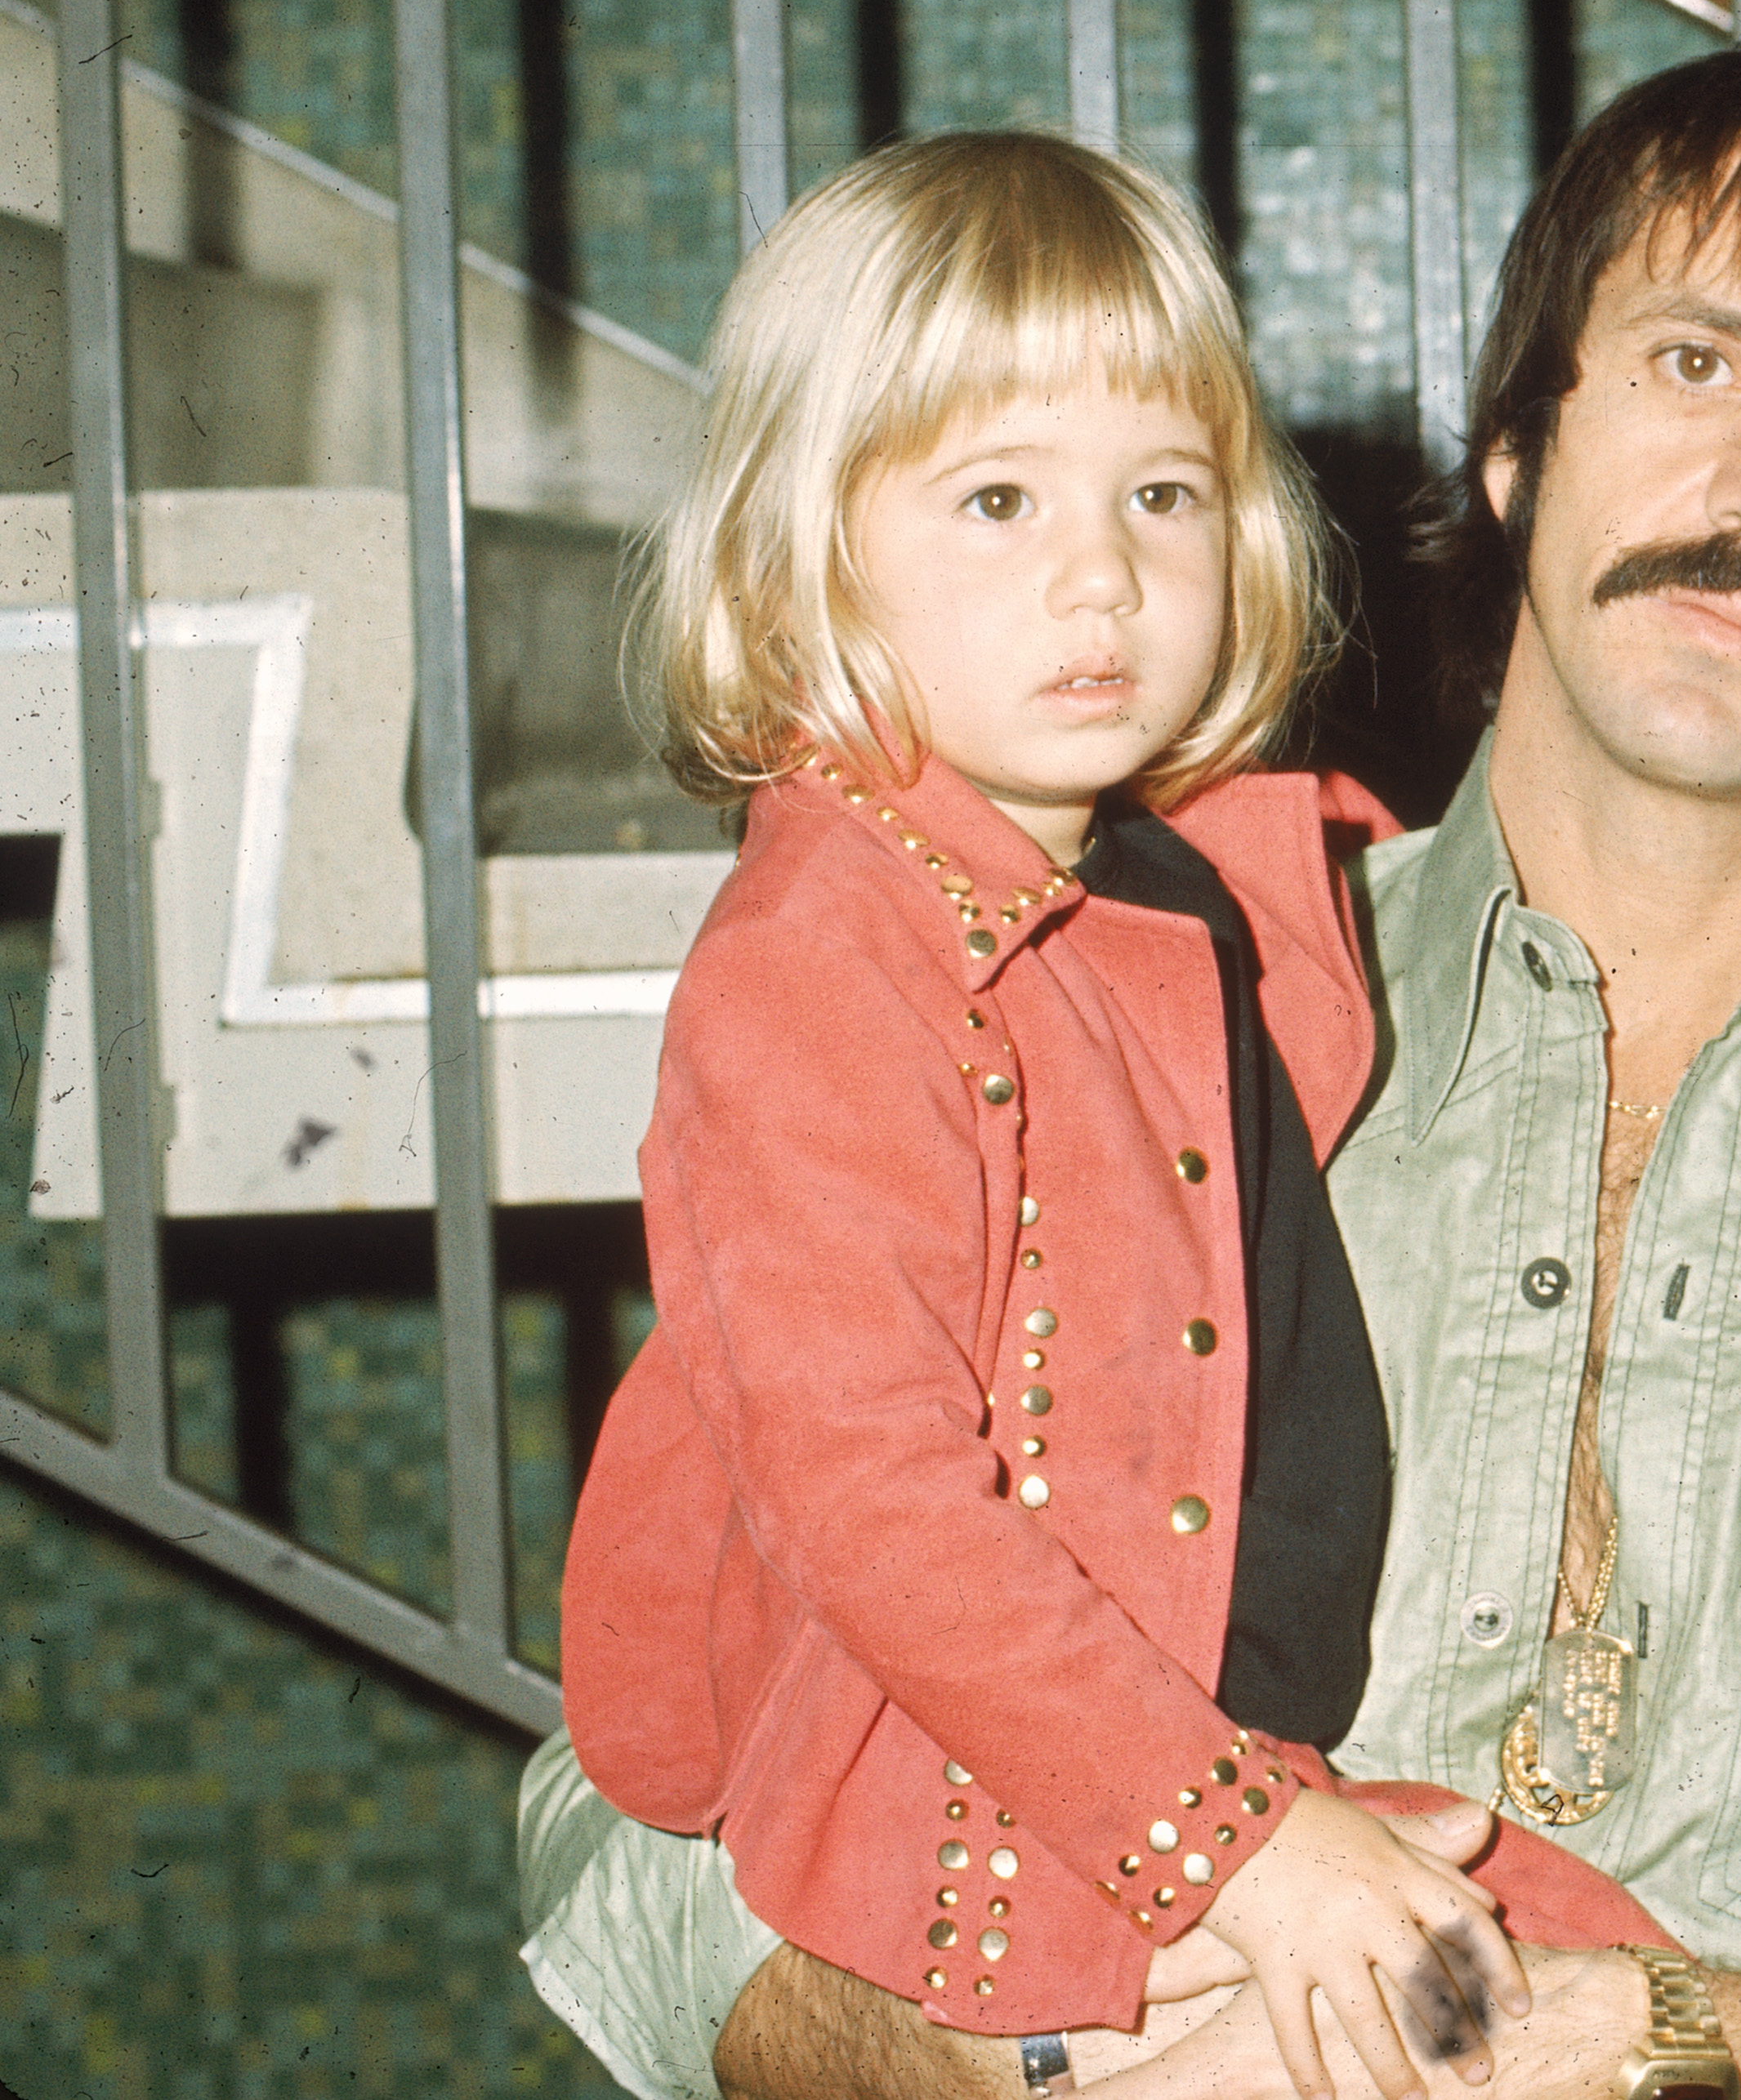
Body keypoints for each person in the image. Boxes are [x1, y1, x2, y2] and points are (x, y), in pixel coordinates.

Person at [519, 46, 1741, 2100]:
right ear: (1519, 442)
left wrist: (1687, 2046)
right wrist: (975, 2073)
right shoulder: (1108, 995)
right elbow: (646, 1782)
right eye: (1695, 363)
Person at [533, 135, 1663, 2100]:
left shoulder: (1175, 873)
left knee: (1614, 1984)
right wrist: (1241, 1845)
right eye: (995, 498)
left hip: (1202, 1756)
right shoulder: (824, 951)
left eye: (1162, 492)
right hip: (1001, 1798)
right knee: (1481, 2026)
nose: (1100, 574)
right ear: (806, 553)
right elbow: (876, 1504)